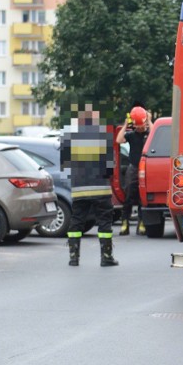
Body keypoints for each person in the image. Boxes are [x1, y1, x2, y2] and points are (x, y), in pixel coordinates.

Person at [61, 105, 118, 267]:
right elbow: (109, 167)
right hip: (100, 188)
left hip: (79, 189)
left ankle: (73, 257)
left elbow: (65, 165)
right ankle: (106, 257)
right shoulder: (102, 138)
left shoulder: (69, 139)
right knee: (104, 221)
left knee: (76, 221)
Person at [116, 106, 153, 236]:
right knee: (129, 197)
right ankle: (124, 223)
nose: (139, 128)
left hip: (145, 169)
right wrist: (125, 125)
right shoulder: (131, 135)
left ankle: (141, 223)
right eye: (137, 126)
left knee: (143, 198)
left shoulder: (149, 134)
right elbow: (119, 140)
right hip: (133, 168)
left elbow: (154, 133)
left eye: (141, 126)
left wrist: (148, 121)